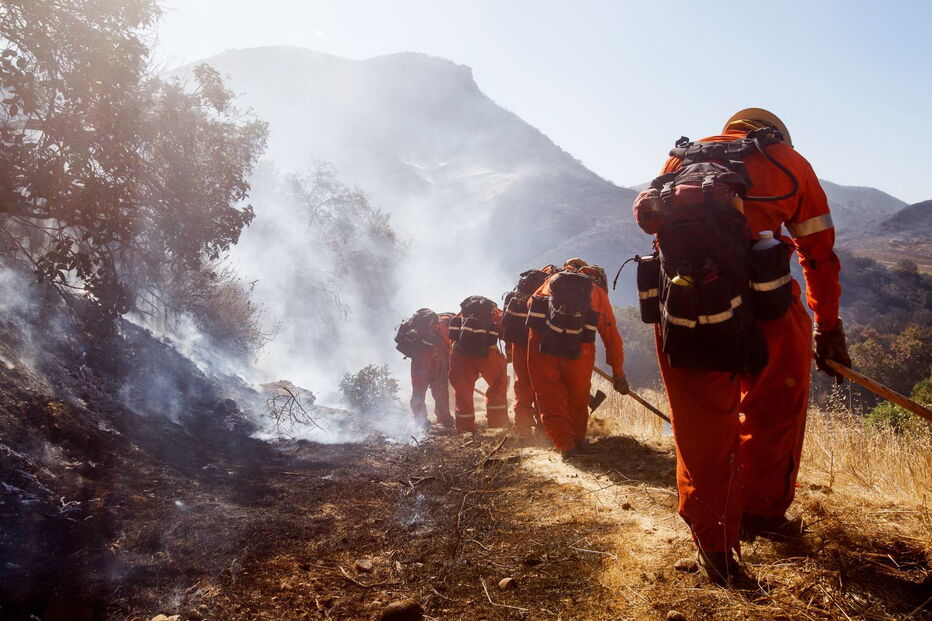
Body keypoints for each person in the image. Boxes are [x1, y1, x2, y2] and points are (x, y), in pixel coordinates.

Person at [638, 108, 849, 584]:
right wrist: (828, 326)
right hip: (769, 310)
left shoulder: (678, 160)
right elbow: (819, 256)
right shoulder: (789, 162)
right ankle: (762, 513)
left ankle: (715, 548)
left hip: (688, 311)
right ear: (773, 132)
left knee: (701, 430)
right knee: (774, 413)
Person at [526, 258, 627, 456]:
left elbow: (530, 303)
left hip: (542, 346)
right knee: (578, 396)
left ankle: (564, 445)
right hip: (579, 351)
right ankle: (578, 440)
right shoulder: (597, 292)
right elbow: (611, 336)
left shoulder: (553, 279)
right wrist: (618, 373)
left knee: (550, 397)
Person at [500, 266, 557, 439]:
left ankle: (523, 430)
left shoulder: (515, 298)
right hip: (540, 348)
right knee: (542, 387)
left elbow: (505, 326)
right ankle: (543, 429)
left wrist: (509, 350)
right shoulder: (546, 298)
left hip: (518, 347)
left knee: (522, 387)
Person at [448, 296, 509, 432]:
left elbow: (452, 337)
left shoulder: (460, 315)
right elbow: (505, 331)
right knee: (498, 384)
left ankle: (465, 428)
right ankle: (497, 425)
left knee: (462, 392)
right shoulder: (495, 312)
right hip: (488, 353)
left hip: (461, 354)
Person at [395, 308, 454, 429]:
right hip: (436, 359)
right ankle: (444, 419)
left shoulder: (418, 327)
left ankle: (420, 420)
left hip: (418, 360)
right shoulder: (446, 325)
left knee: (418, 391)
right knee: (440, 391)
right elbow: (448, 348)